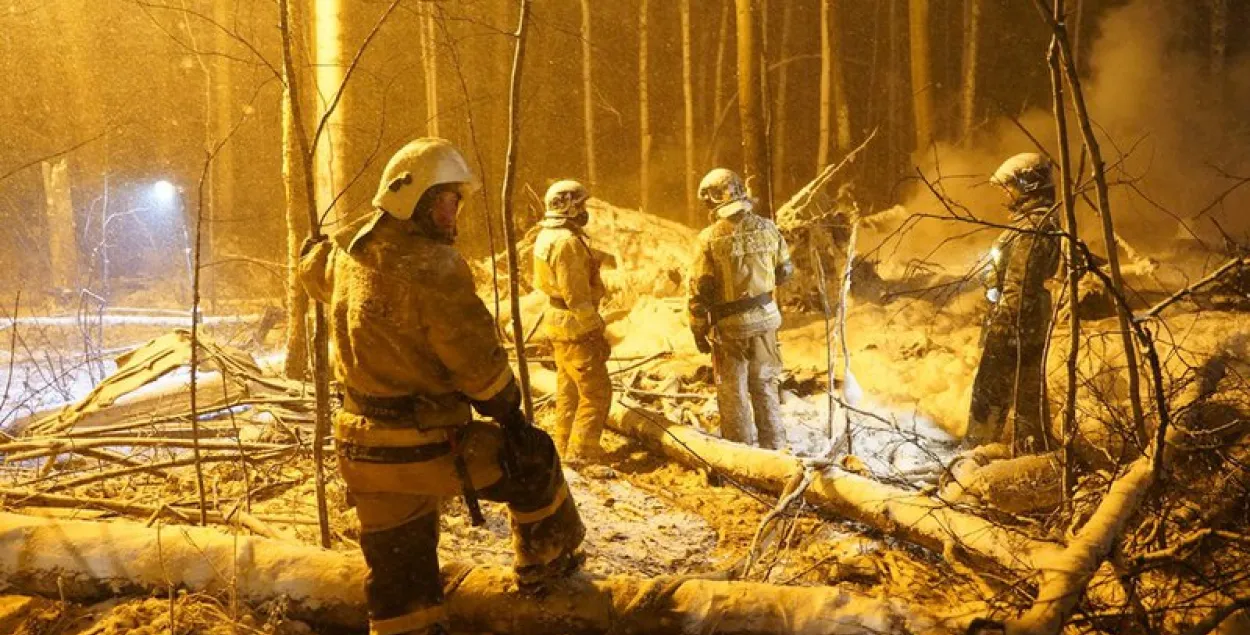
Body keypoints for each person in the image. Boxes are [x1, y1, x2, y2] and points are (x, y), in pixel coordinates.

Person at [299, 138, 585, 635]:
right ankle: (546, 576)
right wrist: (509, 409)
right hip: (424, 448)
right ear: (424, 201)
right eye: (452, 201)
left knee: (400, 578)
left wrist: (309, 256)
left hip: (362, 454)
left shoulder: (350, 253)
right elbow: (478, 367)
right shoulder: (433, 270)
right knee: (534, 459)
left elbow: (314, 272)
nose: (457, 213)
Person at [687, 168, 794, 450]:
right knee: (766, 388)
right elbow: (784, 271)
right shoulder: (769, 228)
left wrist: (699, 329)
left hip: (729, 329)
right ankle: (775, 452)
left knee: (733, 394)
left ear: (711, 200)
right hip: (766, 321)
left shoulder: (708, 238)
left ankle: (741, 457)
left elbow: (700, 290)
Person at [965, 152, 1063, 453]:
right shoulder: (1037, 222)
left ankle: (978, 453)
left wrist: (1003, 327)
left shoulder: (1031, 228)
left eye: (1009, 186)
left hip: (1017, 323)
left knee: (991, 392)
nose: (1004, 194)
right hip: (1028, 320)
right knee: (1028, 392)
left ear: (1028, 184)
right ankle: (1032, 449)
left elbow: (1019, 284)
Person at [532, 180, 611, 465]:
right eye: (581, 205)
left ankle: (563, 445)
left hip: (557, 324)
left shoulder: (546, 236)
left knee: (568, 389)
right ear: (569, 206)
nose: (584, 210)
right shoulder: (566, 242)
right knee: (596, 391)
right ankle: (583, 453)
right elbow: (576, 296)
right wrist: (594, 331)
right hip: (575, 326)